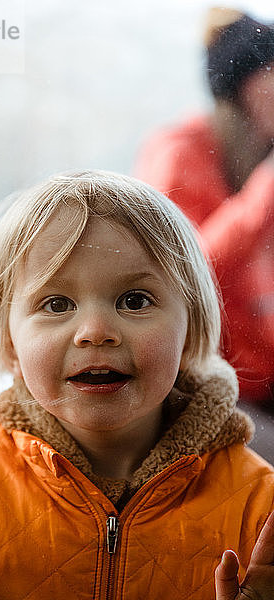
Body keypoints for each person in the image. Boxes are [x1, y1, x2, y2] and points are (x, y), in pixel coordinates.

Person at [0, 170, 274, 599]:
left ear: (191, 330)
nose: (96, 331)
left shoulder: (259, 504)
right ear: (10, 342)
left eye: (134, 301)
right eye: (57, 303)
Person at [133, 8, 274, 406]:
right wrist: (265, 192)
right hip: (205, 383)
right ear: (243, 87)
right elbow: (181, 272)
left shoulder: (257, 156)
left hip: (262, 377)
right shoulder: (178, 152)